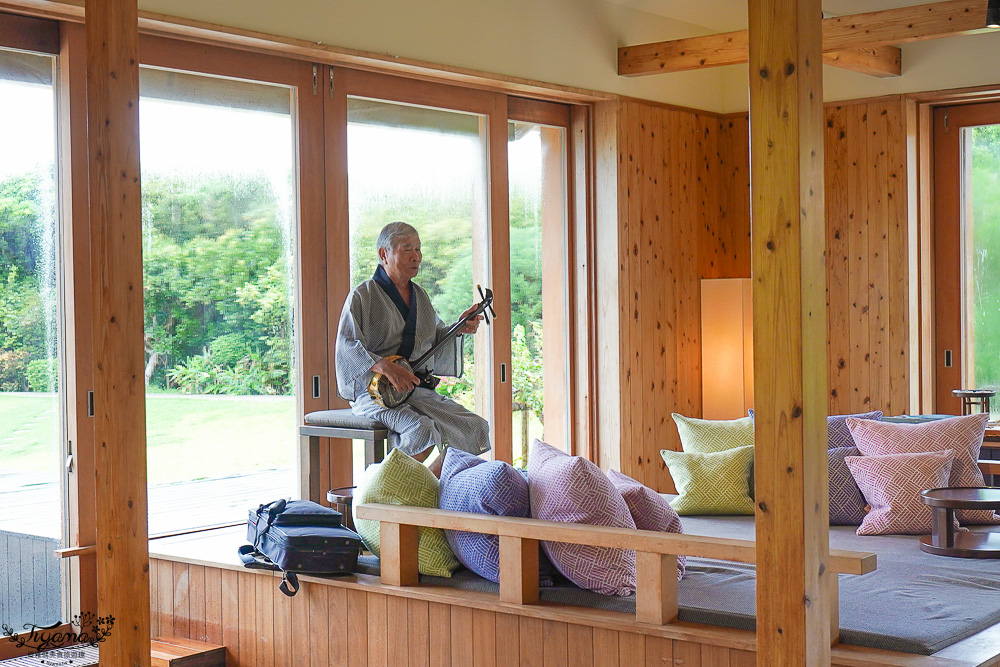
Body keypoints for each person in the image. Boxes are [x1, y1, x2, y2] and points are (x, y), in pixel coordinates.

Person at [335, 221, 491, 475]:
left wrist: (459, 327)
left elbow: (433, 338)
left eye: (419, 249)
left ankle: (424, 487)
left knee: (474, 427)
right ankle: (384, 488)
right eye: (407, 249)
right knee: (422, 429)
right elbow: (347, 345)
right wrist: (384, 366)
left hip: (411, 390)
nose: (416, 256)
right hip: (374, 393)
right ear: (384, 254)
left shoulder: (420, 296)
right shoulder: (363, 295)